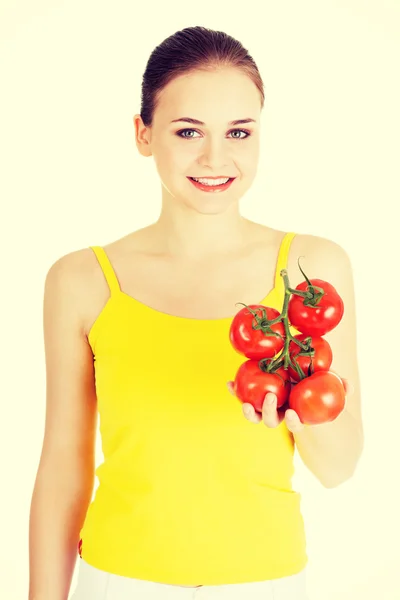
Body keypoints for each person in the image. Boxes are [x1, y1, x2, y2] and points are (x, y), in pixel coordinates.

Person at [28, 26, 364, 600]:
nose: (215, 158)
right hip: (117, 580)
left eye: (239, 131)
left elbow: (340, 468)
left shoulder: (311, 270)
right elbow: (63, 463)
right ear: (143, 134)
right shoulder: (82, 280)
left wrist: (297, 414)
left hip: (268, 583)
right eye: (188, 131)